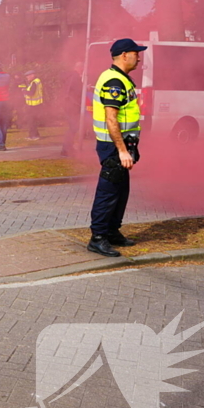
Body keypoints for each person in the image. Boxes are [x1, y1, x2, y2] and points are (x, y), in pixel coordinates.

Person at [87, 39, 145, 258]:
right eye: (135, 53)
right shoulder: (114, 81)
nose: (138, 57)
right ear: (123, 55)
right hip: (113, 146)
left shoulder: (120, 78)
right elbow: (111, 119)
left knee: (120, 191)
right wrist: (121, 150)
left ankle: (112, 231)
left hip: (121, 144)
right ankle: (98, 238)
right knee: (108, 192)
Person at [61, 62, 82, 156]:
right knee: (73, 127)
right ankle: (66, 149)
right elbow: (77, 91)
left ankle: (68, 147)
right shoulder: (75, 77)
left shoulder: (70, 76)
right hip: (72, 105)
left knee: (73, 127)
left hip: (68, 104)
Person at [22, 69, 43, 140]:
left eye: (28, 76)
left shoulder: (34, 83)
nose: (27, 77)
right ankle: (34, 135)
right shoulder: (36, 82)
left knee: (31, 121)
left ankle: (34, 136)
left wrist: (24, 91)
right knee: (32, 121)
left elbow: (31, 93)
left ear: (32, 75)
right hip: (35, 104)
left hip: (34, 105)